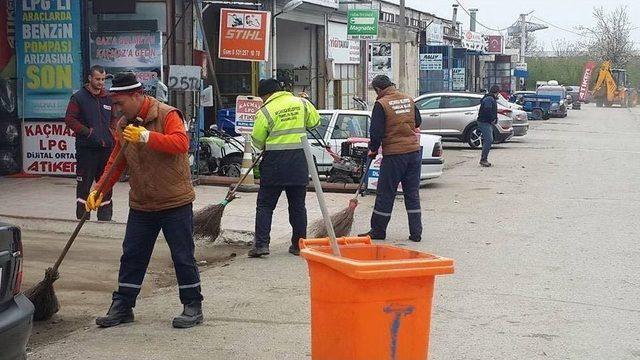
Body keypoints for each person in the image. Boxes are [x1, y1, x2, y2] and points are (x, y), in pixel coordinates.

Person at [85, 72, 203, 329]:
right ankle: (123, 306)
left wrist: (146, 136)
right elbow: (117, 160)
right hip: (142, 202)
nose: (116, 108)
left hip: (175, 201)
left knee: (183, 256)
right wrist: (99, 190)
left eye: (120, 102)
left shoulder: (168, 114)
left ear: (137, 96)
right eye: (114, 103)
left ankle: (192, 305)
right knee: (132, 256)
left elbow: (181, 143)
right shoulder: (123, 125)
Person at [249, 78, 320, 257]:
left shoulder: (265, 111)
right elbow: (315, 122)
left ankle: (262, 245)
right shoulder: (302, 103)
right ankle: (299, 245)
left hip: (275, 163)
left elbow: (257, 142)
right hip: (299, 161)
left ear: (266, 95)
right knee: (297, 206)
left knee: (265, 205)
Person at [358, 75, 423, 242]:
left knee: (386, 193)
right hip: (413, 153)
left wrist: (373, 149)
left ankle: (378, 230)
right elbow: (417, 122)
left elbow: (376, 132)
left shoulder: (381, 104)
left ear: (379, 89)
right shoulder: (408, 99)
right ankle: (416, 233)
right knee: (412, 193)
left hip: (394, 155)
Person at [64, 65, 114, 221]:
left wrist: (112, 133)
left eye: (103, 79)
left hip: (106, 148)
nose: (101, 82)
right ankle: (83, 218)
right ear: (90, 78)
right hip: (86, 150)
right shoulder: (79, 97)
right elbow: (70, 120)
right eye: (98, 79)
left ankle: (105, 218)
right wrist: (88, 132)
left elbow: (114, 119)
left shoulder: (108, 98)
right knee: (84, 186)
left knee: (105, 185)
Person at [477, 85, 500, 167]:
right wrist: (492, 119)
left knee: (488, 139)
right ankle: (483, 159)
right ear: (496, 92)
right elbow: (487, 110)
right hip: (484, 122)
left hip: (486, 122)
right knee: (489, 140)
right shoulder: (489, 99)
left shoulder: (490, 98)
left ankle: (484, 158)